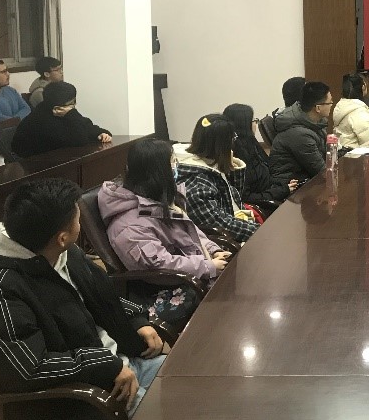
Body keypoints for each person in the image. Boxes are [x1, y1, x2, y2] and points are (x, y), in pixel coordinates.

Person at [0, 179, 167, 420]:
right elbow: (26, 369)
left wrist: (136, 320)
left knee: (185, 380)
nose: (81, 224)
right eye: (78, 218)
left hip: (117, 368)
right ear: (62, 236)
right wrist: (105, 364)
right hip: (70, 407)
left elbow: (103, 296)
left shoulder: (64, 253)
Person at [99, 138, 230, 327]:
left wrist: (213, 250)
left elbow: (189, 230)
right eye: (171, 162)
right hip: (161, 286)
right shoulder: (128, 225)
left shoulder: (156, 199)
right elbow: (159, 264)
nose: (176, 166)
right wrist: (207, 266)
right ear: (157, 172)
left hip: (189, 271)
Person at [174, 114, 257, 244]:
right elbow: (222, 224)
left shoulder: (210, 162)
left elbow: (234, 199)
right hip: (226, 244)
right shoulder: (198, 184)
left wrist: (232, 166)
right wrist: (258, 230)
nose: (234, 142)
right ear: (222, 144)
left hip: (237, 226)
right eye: (232, 137)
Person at [223, 103, 296, 210]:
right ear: (244, 125)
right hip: (262, 206)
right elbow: (246, 197)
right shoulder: (236, 157)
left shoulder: (250, 143)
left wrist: (283, 185)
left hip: (270, 192)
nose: (255, 123)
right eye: (253, 120)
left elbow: (266, 170)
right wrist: (282, 191)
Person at [11, 82, 112, 158]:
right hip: (36, 167)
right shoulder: (41, 121)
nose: (74, 106)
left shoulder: (54, 111)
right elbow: (80, 140)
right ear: (57, 108)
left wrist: (100, 133)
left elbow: (84, 124)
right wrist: (72, 113)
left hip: (56, 159)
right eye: (72, 103)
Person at [269, 81, 332, 186]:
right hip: (292, 185)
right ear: (318, 108)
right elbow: (322, 172)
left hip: (306, 178)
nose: (331, 105)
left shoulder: (315, 122)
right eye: (329, 102)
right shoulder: (300, 134)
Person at [332, 73, 369, 147]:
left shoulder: (342, 106)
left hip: (344, 150)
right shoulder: (358, 112)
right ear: (363, 87)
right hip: (354, 152)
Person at [0, 57, 30, 122]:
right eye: (4, 72)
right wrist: (17, 121)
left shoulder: (10, 90)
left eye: (7, 70)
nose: (8, 74)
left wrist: (15, 120)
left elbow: (26, 109)